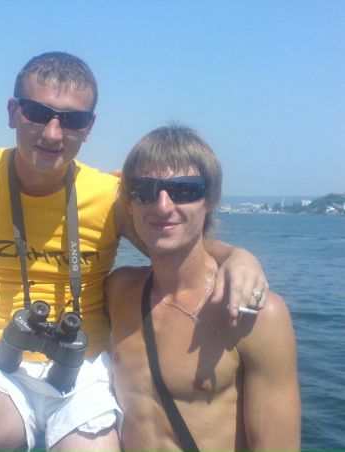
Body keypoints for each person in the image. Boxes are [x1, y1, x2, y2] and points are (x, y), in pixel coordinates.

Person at [0, 52, 270, 452]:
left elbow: (178, 246)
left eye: (72, 120)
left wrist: (236, 257)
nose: (52, 134)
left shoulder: (110, 197)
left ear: (89, 127)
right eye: (37, 113)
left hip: (82, 368)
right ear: (13, 112)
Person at [106, 124, 300, 452]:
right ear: (129, 203)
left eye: (184, 190)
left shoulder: (257, 315)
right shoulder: (118, 291)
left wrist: (239, 256)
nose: (163, 205)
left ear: (210, 199)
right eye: (145, 190)